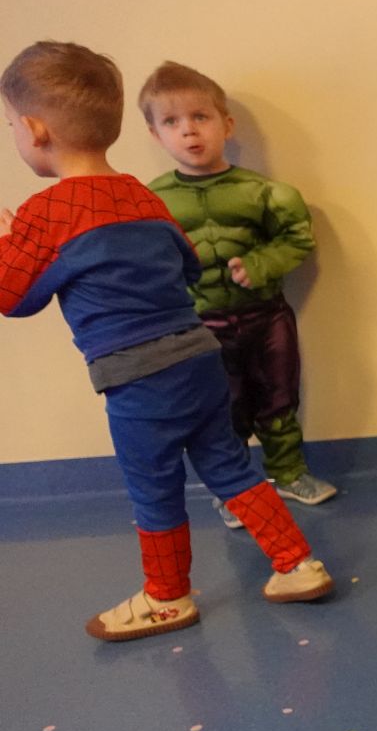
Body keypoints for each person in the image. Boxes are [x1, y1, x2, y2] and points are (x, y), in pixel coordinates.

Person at [0, 41, 334, 641]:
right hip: (199, 355)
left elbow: (12, 297)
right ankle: (297, 565)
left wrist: (9, 244)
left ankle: (167, 597)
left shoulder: (46, 214)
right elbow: (187, 268)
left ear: (34, 130)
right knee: (230, 466)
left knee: (153, 489)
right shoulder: (142, 194)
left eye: (9, 127)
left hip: (137, 378)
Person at [138, 61, 337, 524]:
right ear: (155, 134)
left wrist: (261, 263)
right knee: (222, 411)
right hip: (200, 327)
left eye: (200, 117)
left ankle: (289, 474)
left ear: (226, 125)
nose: (189, 131)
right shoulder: (150, 202)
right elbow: (142, 260)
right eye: (171, 121)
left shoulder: (264, 193)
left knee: (279, 398)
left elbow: (298, 238)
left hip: (266, 316)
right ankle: (236, 492)